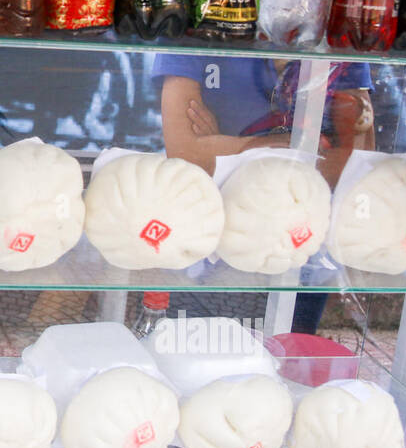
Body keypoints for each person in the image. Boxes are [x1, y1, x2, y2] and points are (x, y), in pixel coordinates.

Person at [155, 54, 376, 333]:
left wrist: (232, 146)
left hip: (302, 252)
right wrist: (294, 148)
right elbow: (187, 156)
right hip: (208, 253)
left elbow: (352, 166)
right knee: (197, 362)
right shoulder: (204, 24)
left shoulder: (342, 39)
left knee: (284, 364)